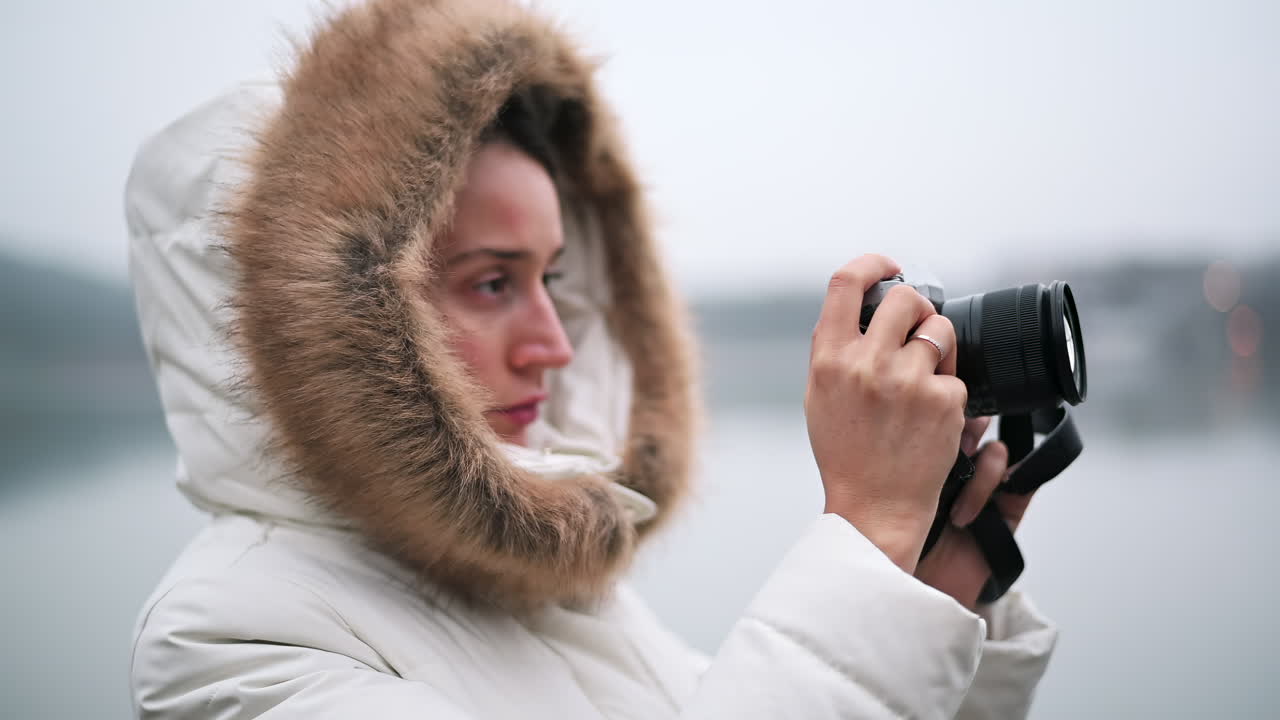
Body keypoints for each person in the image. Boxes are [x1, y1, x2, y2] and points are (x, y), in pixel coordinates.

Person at [126, 0, 1056, 717]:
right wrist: (861, 532)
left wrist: (929, 586)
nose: (555, 345)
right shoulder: (227, 641)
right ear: (319, 329)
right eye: (491, 282)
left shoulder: (547, 589)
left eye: (552, 281)